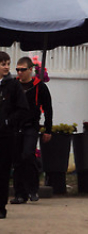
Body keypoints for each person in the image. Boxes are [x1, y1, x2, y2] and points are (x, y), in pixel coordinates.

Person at [12, 56, 53, 205]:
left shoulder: (39, 86)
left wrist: (48, 129)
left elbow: (48, 109)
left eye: (22, 69)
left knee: (28, 155)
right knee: (17, 160)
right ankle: (19, 193)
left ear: (30, 70)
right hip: (15, 127)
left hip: (31, 126)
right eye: (17, 70)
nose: (19, 72)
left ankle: (32, 189)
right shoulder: (13, 85)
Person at [0, 51, 29, 220]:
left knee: (2, 172)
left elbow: (23, 109)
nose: (6, 67)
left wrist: (8, 122)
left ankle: (1, 207)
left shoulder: (14, 86)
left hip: (5, 136)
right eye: (2, 64)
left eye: (7, 63)